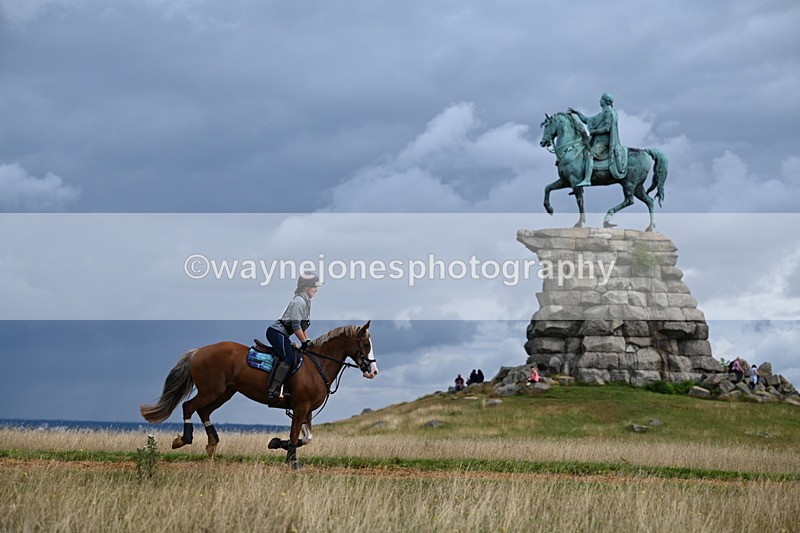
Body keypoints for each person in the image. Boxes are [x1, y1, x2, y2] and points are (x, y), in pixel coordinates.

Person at [265, 272, 323, 400]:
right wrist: (303, 342)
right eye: (314, 286)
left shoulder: (306, 302)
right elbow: (296, 326)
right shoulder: (299, 302)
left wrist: (307, 341)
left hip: (283, 334)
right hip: (276, 333)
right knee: (289, 358)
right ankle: (274, 389)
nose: (317, 289)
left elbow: (303, 327)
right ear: (306, 286)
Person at [568, 92, 628, 186]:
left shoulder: (609, 113)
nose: (599, 101)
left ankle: (587, 179)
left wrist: (595, 132)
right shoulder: (602, 114)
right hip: (597, 141)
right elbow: (587, 120)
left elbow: (607, 128)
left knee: (589, 154)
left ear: (605, 101)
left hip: (604, 142)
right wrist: (577, 112)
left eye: (601, 99)